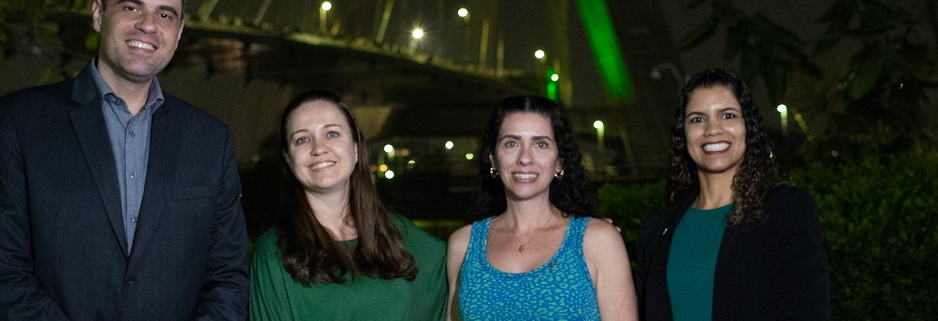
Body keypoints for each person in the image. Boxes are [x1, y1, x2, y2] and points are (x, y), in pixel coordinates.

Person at [0, 0, 248, 321]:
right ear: (99, 13)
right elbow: (1, 273)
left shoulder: (211, 140)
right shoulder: (20, 122)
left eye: (165, 14)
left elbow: (228, 277)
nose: (148, 26)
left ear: (180, 32)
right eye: (132, 7)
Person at [637, 67, 830, 321]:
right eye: (697, 119)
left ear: (747, 127)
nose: (712, 129)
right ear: (683, 135)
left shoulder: (787, 210)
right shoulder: (656, 231)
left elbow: (807, 312)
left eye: (727, 115)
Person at [250, 89, 447, 321]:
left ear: (355, 149)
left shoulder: (403, 237)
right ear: (288, 160)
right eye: (302, 139)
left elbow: (460, 267)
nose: (319, 148)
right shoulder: (272, 253)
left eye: (332, 134)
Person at [446, 95, 636, 321]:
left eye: (541, 144)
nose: (525, 158)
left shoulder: (597, 241)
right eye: (511, 143)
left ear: (559, 163)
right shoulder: (463, 244)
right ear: (493, 160)